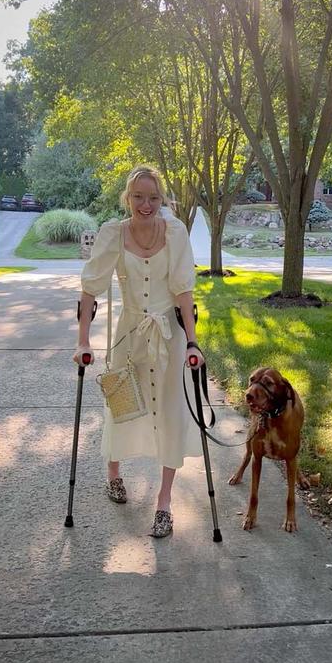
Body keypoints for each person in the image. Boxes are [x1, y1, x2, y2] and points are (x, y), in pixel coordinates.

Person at [75, 164, 204, 538]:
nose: (145, 205)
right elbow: (89, 289)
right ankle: (113, 473)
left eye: (152, 198)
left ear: (161, 199)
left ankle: (164, 502)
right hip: (127, 334)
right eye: (138, 197)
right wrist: (83, 340)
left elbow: (184, 292)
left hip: (168, 335)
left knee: (170, 414)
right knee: (123, 408)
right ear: (127, 198)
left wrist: (193, 341)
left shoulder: (176, 232)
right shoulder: (112, 233)